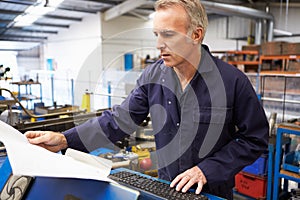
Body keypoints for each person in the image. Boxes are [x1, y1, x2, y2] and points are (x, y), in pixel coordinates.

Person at [25, 0, 269, 199]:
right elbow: (119, 121)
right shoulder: (154, 76)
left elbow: (254, 139)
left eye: (169, 35)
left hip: (211, 193)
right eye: (157, 34)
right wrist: (65, 139)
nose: (159, 44)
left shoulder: (232, 81)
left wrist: (208, 170)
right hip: (165, 189)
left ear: (196, 34)